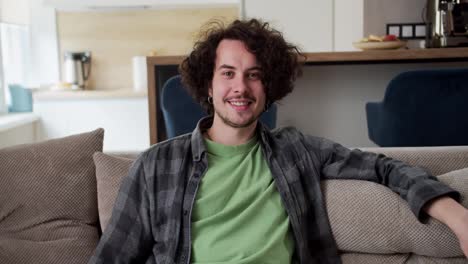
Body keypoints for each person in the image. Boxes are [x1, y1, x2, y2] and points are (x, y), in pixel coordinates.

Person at [90, 19, 468, 264]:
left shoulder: (297, 151)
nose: (241, 86)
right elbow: (112, 257)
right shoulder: (157, 166)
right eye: (228, 73)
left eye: (254, 75)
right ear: (209, 83)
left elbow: (384, 167)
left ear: (268, 86)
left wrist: (459, 218)